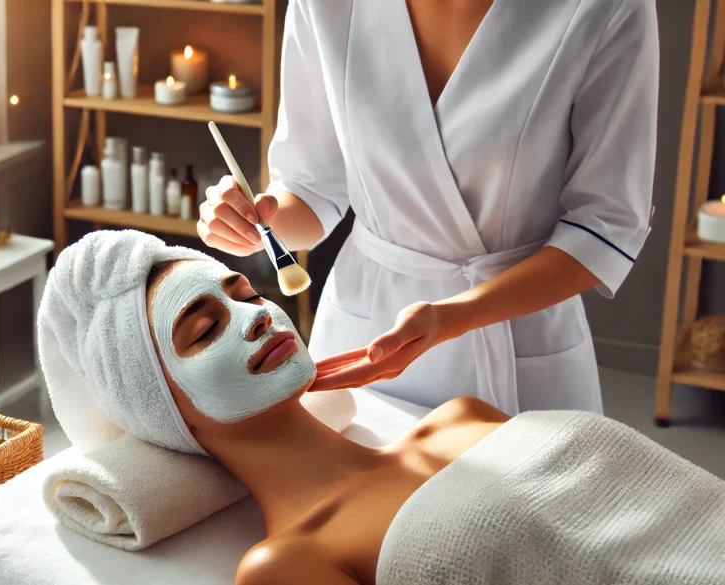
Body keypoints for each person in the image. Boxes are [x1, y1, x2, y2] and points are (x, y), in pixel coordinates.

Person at [39, 231, 724, 585]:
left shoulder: (463, 417)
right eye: (204, 328)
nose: (255, 318)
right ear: (171, 411)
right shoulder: (287, 563)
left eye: (247, 294)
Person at [198, 0, 659, 415]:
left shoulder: (608, 7)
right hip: (364, 335)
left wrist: (454, 317)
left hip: (519, 334)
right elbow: (311, 188)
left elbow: (606, 225)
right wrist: (259, 220)